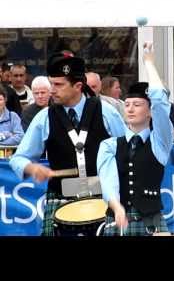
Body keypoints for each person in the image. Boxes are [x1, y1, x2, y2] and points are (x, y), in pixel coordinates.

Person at [9, 51, 125, 236]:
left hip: (103, 198)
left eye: (58, 84)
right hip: (61, 200)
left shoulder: (106, 112)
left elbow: (126, 152)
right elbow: (18, 158)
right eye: (51, 83)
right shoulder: (44, 118)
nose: (52, 90)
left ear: (78, 86)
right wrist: (31, 168)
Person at [97, 43, 174, 236]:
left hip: (151, 222)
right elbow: (108, 182)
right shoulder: (109, 145)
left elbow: (160, 102)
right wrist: (117, 207)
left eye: (137, 105)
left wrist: (149, 63)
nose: (130, 109)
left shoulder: (160, 143)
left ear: (149, 112)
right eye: (128, 104)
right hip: (118, 220)